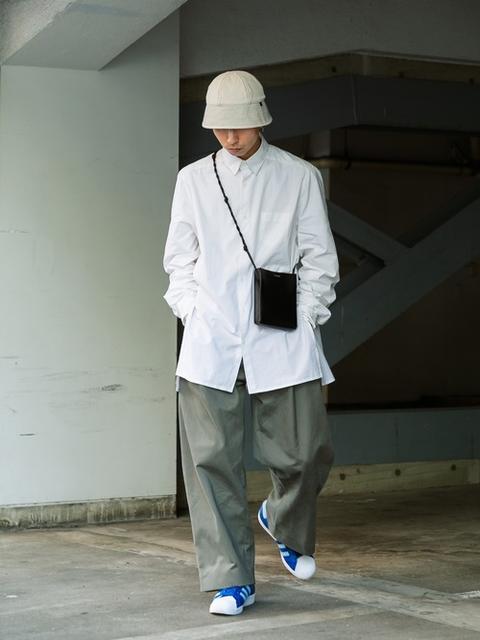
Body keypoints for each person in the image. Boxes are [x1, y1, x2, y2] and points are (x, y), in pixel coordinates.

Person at [163, 69, 339, 616]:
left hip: (282, 335)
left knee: (306, 451)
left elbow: (320, 258)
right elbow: (179, 260)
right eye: (220, 128)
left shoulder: (299, 176)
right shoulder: (193, 180)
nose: (230, 137)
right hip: (211, 341)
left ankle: (282, 519)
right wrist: (194, 312)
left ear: (260, 120)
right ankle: (231, 580)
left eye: (239, 126)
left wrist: (305, 317)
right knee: (211, 463)